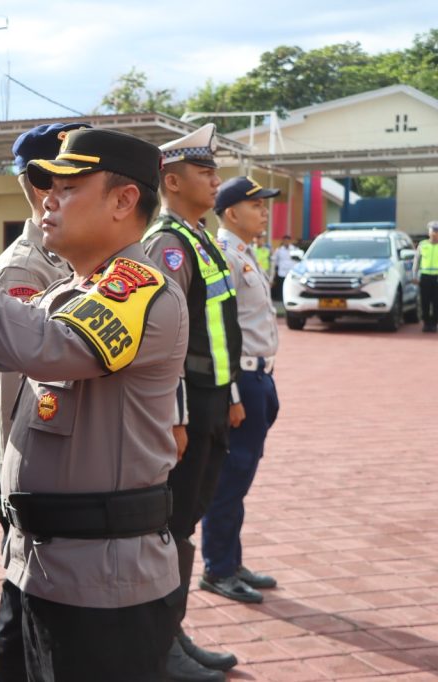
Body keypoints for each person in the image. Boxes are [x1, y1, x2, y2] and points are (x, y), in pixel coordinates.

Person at [0, 127, 188, 681]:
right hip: (39, 566)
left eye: (69, 186)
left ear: (125, 200)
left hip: (104, 584)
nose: (48, 197)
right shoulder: (69, 290)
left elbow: (48, 346)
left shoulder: (139, 287)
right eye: (46, 183)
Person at [0, 122, 84, 682]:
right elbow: (26, 371)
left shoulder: (68, 257)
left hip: (53, 456)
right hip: (31, 452)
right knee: (26, 599)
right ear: (44, 188)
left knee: (28, 600)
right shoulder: (24, 267)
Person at [143, 123, 243, 682]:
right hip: (188, 407)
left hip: (211, 402)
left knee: (187, 521)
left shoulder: (199, 237)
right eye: (206, 173)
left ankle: (173, 632)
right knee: (173, 526)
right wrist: (177, 415)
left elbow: (218, 329)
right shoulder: (169, 244)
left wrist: (228, 396)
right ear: (174, 181)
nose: (216, 180)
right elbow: (168, 344)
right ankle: (160, 647)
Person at [199, 176, 281, 604]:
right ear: (232, 212)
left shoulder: (247, 253)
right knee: (229, 477)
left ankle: (232, 558)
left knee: (242, 476)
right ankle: (218, 567)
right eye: (257, 205)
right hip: (241, 380)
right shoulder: (224, 255)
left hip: (260, 377)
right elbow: (220, 332)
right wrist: (231, 393)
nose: (264, 212)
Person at [413, 221, 438, 332]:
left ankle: (434, 323)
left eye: (436, 231)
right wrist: (415, 276)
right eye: (432, 230)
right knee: (425, 301)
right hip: (425, 277)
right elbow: (416, 262)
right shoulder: (423, 244)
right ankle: (426, 323)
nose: (434, 233)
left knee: (436, 302)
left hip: (437, 278)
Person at [270, 234, 296, 300]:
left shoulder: (294, 249)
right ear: (283, 241)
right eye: (285, 241)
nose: (286, 242)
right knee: (282, 286)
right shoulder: (279, 250)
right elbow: (275, 260)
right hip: (282, 271)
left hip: (291, 271)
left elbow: (297, 260)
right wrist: (275, 269)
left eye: (288, 241)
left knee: (290, 285)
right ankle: (281, 298)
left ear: (290, 241)